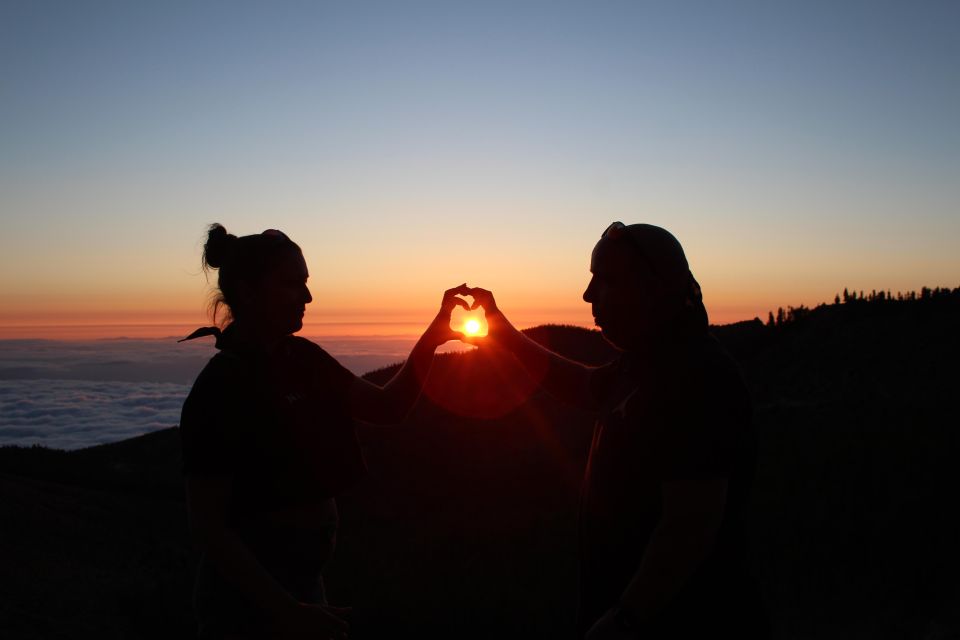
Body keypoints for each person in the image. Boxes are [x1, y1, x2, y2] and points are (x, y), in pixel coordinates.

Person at [466, 222, 769, 639]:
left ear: (653, 290)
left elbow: (691, 522)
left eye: (605, 280)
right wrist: (504, 334)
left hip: (683, 622)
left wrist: (626, 618)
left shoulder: (698, 378)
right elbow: (583, 385)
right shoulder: (647, 362)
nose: (587, 295)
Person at [178, 224, 470, 639]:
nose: (308, 297)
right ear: (247, 291)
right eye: (293, 284)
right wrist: (286, 610)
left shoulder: (303, 359)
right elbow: (209, 527)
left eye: (306, 283)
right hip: (249, 606)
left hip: (302, 589)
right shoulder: (221, 389)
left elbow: (388, 407)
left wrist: (432, 337)